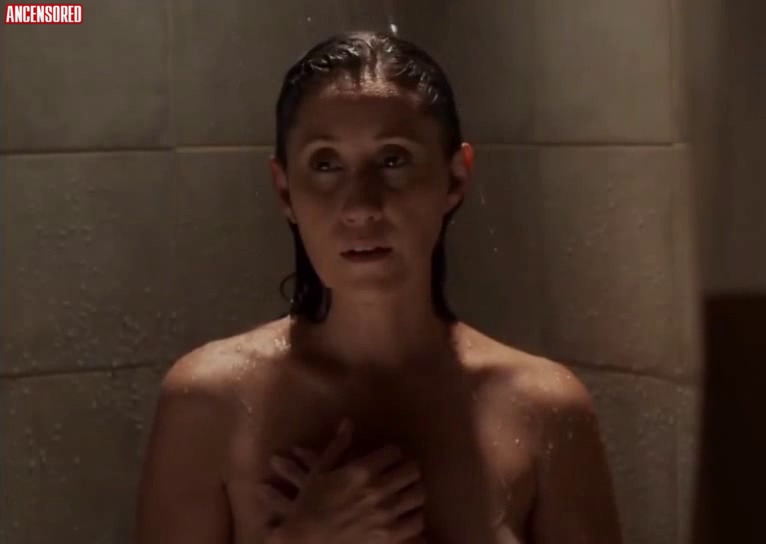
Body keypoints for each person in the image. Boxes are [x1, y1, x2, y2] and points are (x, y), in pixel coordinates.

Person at [135, 31, 622, 544]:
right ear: (285, 191)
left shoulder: (544, 408)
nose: (361, 206)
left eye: (393, 160)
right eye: (326, 164)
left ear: (455, 179)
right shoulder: (209, 401)